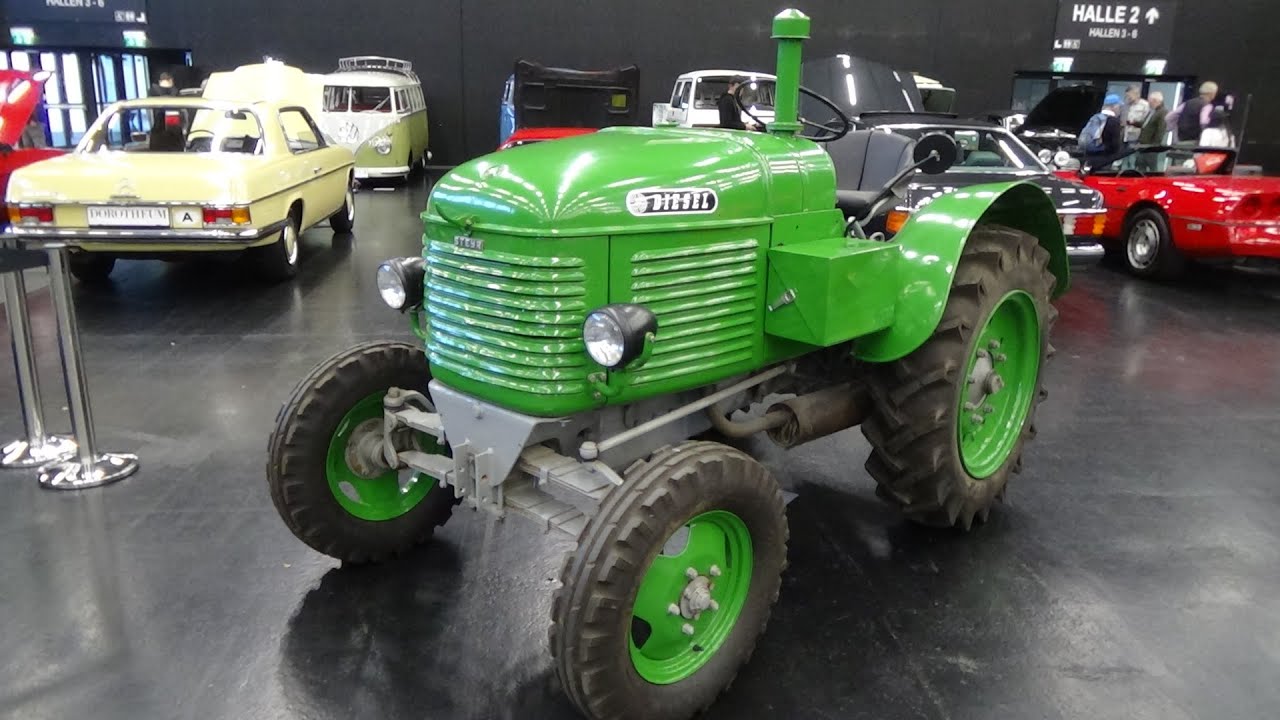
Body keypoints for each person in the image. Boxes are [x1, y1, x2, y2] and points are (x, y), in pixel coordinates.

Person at [1079, 93, 1124, 169]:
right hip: (1104, 158)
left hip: (1089, 155)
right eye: (1119, 106)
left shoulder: (1095, 117)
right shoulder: (1113, 121)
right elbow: (1114, 144)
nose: (1120, 109)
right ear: (1113, 106)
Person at [1166, 81, 1217, 146]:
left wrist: (1170, 128)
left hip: (1181, 140)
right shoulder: (1207, 106)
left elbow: (1169, 116)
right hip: (1196, 142)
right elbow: (1204, 122)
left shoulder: (1187, 103)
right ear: (1212, 94)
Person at [1135, 91, 1168, 171]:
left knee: (1152, 168)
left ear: (1155, 101)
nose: (1149, 103)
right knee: (1140, 166)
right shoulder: (1152, 111)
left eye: (1150, 101)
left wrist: (1155, 145)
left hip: (1151, 145)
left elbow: (1161, 130)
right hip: (1143, 144)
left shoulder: (1163, 112)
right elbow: (1146, 124)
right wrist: (1134, 123)